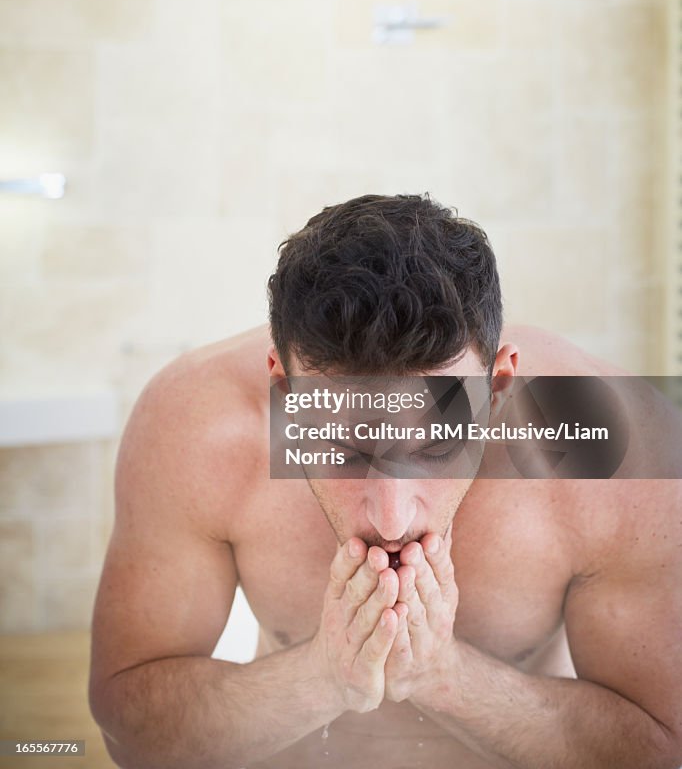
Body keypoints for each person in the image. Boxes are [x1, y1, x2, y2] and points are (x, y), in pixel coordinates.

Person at [89, 194, 682, 769]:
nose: (392, 519)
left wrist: (444, 676)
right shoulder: (196, 420)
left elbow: (663, 746)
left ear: (498, 389)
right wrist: (323, 677)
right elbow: (130, 731)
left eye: (435, 446)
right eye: (343, 449)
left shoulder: (619, 443)